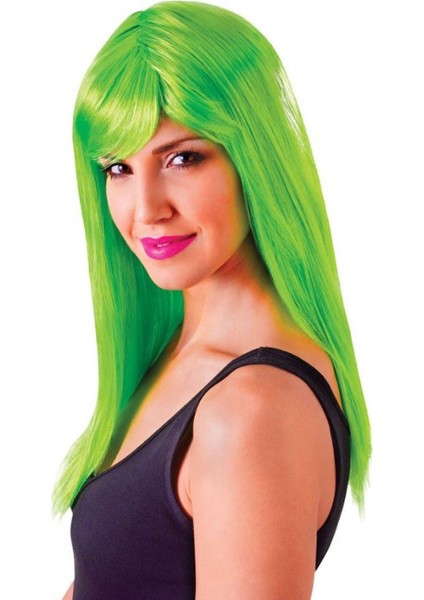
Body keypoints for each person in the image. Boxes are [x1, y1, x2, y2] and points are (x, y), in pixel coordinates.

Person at [54, 2, 371, 598]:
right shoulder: (174, 358)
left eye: (183, 158)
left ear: (256, 158)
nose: (147, 209)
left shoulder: (252, 410)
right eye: (118, 168)